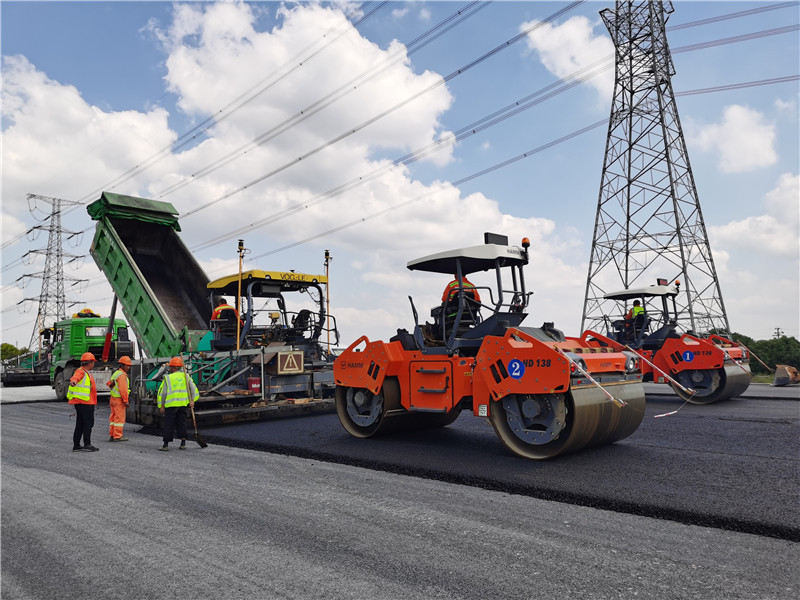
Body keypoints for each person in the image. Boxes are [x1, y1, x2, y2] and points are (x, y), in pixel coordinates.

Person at [156, 356, 198, 451]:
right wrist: (192, 401)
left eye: (170, 367)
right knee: (181, 423)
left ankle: (165, 445)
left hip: (171, 405)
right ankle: (183, 443)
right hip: (182, 405)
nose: (169, 368)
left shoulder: (168, 378)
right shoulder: (186, 376)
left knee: (169, 424)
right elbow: (193, 389)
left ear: (173, 367)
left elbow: (163, 393)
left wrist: (161, 405)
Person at [68, 352, 99, 452]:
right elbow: (75, 378)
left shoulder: (85, 372)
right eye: (93, 362)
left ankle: (76, 445)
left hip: (82, 402)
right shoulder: (81, 371)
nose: (94, 364)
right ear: (89, 362)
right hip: (85, 403)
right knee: (88, 424)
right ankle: (87, 444)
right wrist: (73, 381)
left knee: (80, 424)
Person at [107, 356, 132, 442]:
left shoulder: (116, 373)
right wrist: (126, 400)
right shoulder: (122, 375)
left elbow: (109, 384)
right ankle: (117, 436)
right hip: (119, 400)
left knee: (113, 418)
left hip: (113, 398)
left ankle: (112, 434)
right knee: (119, 418)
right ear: (122, 365)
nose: (128, 367)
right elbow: (123, 389)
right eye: (127, 366)